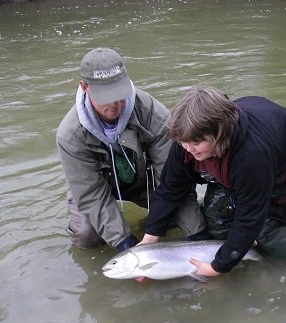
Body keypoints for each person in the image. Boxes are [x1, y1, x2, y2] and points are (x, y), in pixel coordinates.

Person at [140, 86, 286, 276]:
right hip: (238, 157)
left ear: (219, 134)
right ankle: (238, 250)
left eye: (197, 143)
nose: (189, 149)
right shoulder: (186, 140)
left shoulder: (252, 156)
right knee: (217, 218)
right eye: (184, 142)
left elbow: (250, 217)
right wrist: (151, 235)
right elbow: (170, 189)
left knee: (268, 227)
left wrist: (218, 267)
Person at [56, 48, 206, 251]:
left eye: (119, 94)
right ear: (84, 87)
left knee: (176, 218)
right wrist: (125, 244)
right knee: (86, 236)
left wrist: (199, 235)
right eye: (105, 96)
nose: (115, 104)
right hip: (97, 186)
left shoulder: (153, 114)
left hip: (144, 180)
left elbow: (173, 179)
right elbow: (91, 194)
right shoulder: (70, 136)